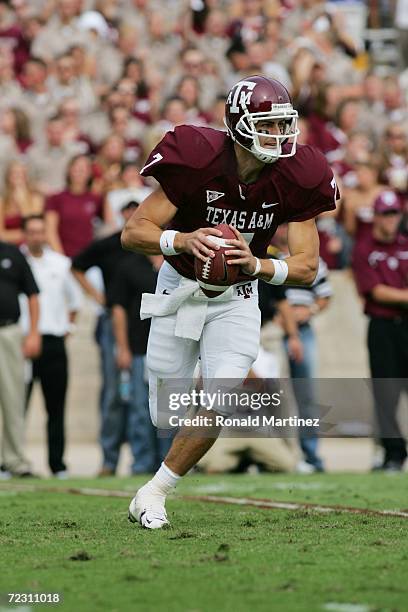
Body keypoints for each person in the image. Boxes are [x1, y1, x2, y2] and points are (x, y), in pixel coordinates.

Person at [121, 75, 340, 529]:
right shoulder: (197, 157)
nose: (281, 137)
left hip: (238, 294)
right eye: (270, 125)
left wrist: (256, 263)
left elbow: (306, 267)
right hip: (178, 289)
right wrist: (183, 239)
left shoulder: (299, 173)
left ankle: (155, 491)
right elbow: (133, 232)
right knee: (166, 411)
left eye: (285, 125)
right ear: (240, 125)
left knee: (220, 394)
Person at [71, 201, 139, 476]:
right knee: (113, 393)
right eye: (130, 211)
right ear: (122, 215)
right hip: (114, 321)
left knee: (146, 395)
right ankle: (109, 460)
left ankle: (144, 459)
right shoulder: (111, 244)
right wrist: (99, 298)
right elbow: (77, 266)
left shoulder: (154, 243)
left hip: (147, 321)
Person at [21, 215, 81, 477]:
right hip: (21, 343)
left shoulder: (61, 263)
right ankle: (13, 462)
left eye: (40, 231)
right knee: (16, 406)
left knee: (55, 407)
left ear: (45, 233)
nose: (36, 236)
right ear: (24, 234)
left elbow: (75, 302)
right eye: (31, 232)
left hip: (54, 342)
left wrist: (66, 329)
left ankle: (57, 465)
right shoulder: (13, 262)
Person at [352, 190, 408, 471]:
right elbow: (374, 291)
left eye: (394, 213)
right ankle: (394, 454)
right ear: (375, 216)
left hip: (406, 325)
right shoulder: (364, 249)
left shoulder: (405, 244)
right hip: (383, 327)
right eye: (385, 214)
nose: (390, 219)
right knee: (386, 393)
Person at [109, 249, 171, 474]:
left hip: (171, 349)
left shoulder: (178, 263)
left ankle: (168, 463)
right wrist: (122, 347)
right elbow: (118, 308)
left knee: (169, 410)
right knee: (140, 410)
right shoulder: (128, 266)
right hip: (139, 348)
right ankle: (142, 462)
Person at [0, 238, 40, 478]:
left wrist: (33, 333)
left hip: (8, 332)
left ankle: (14, 461)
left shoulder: (12, 253)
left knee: (13, 397)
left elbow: (32, 294)